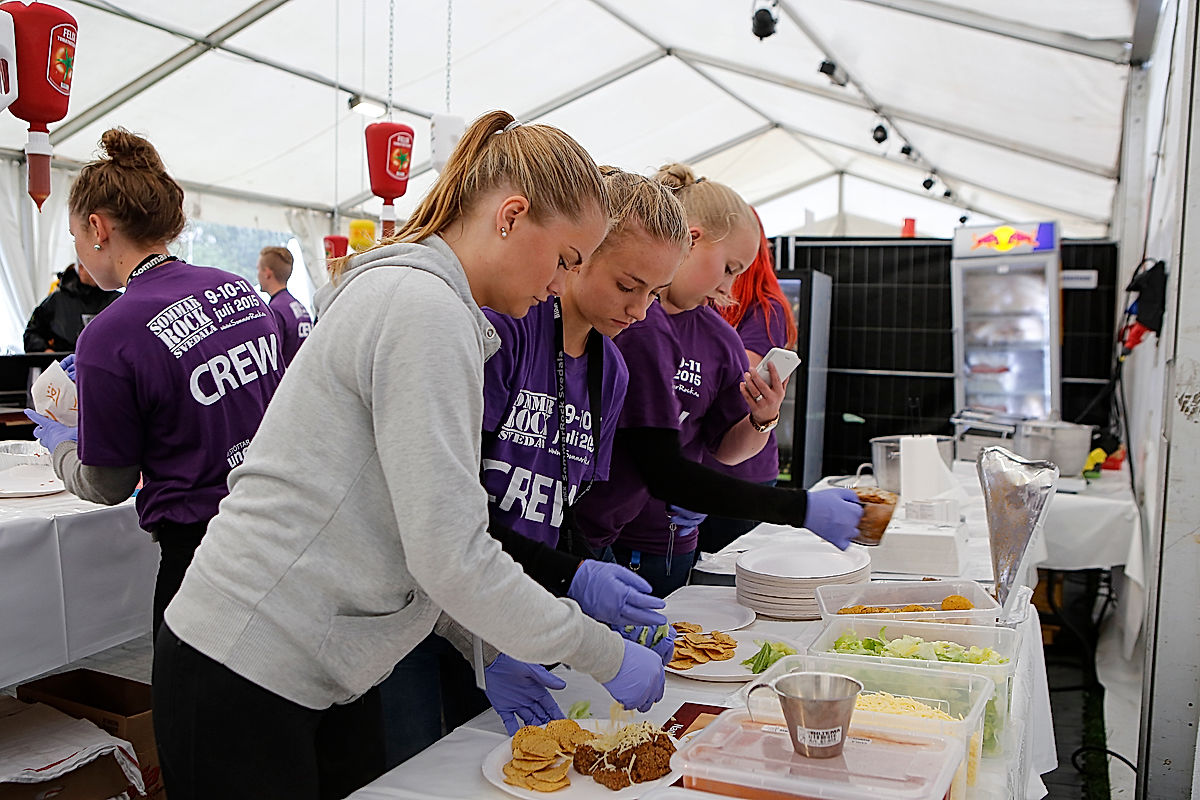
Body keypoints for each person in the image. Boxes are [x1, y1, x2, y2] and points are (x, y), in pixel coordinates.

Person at [153, 111, 666, 799]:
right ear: (511, 217)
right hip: (247, 660)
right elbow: (451, 554)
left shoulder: (437, 307)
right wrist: (601, 653)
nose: (559, 283)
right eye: (568, 258)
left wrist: (485, 649)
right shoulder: (424, 310)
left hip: (323, 665)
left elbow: (408, 528)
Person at [381, 167, 690, 766]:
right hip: (425, 617)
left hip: (518, 614)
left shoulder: (611, 372)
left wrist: (601, 600)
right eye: (630, 285)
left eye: (655, 293)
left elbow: (563, 508)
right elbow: (443, 514)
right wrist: (568, 591)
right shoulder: (503, 331)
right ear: (575, 256)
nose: (642, 311)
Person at [21, 128, 285, 639]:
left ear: (98, 227)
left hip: (202, 558)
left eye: (76, 236)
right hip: (278, 529)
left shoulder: (108, 334)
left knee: (194, 713)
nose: (78, 252)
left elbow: (107, 483)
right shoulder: (239, 291)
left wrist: (61, 443)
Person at [573, 163, 863, 597]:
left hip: (628, 536)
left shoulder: (713, 335)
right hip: (599, 531)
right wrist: (799, 507)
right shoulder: (636, 329)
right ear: (692, 239)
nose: (636, 308)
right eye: (728, 268)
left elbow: (713, 448)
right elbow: (663, 468)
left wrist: (761, 421)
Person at [694, 211, 799, 552]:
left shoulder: (766, 310)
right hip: (701, 469)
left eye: (731, 268)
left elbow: (742, 379)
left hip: (739, 469)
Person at [23, 261, 121, 352]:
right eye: (96, 265)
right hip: (65, 364)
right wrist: (45, 351)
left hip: (108, 365)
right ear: (81, 267)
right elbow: (31, 334)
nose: (101, 270)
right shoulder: (57, 300)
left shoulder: (117, 300)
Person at [256, 245, 312, 366]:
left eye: (258, 269)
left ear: (267, 273)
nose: (257, 275)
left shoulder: (275, 310)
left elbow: (273, 357)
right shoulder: (300, 307)